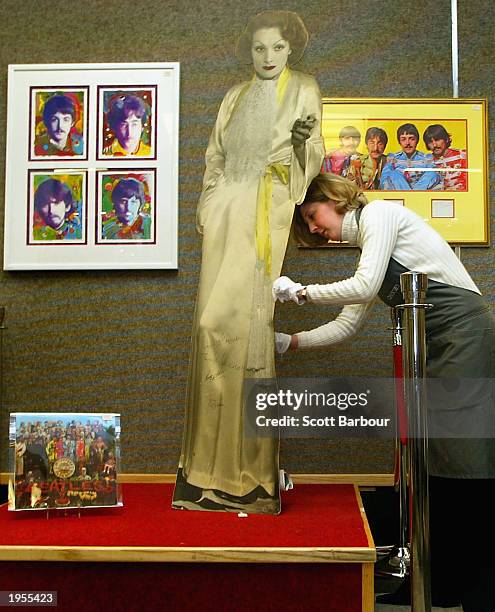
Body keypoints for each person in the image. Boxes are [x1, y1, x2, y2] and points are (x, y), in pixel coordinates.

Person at [273, 172, 495, 610]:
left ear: (334, 199)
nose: (314, 228)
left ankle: (478, 587)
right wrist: (291, 342)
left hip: (464, 335)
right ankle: (442, 578)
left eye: (313, 216)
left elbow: (363, 287)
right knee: (434, 456)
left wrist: (298, 293)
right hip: (435, 343)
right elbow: (347, 324)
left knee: (466, 457)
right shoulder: (370, 247)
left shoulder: (380, 214)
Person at [172, 10, 324, 514]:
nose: (267, 58)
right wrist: (210, 205)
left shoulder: (303, 87)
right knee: (207, 326)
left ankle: (250, 474)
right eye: (259, 48)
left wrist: (301, 143)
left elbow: (311, 152)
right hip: (226, 215)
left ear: (290, 49)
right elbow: (214, 156)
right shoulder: (233, 96)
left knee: (247, 330)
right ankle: (202, 471)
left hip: (266, 210)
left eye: (276, 48)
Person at [380, 123, 440, 190]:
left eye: (411, 139)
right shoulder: (393, 158)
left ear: (417, 141)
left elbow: (435, 179)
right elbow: (384, 182)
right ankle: (411, 197)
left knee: (432, 173)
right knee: (394, 174)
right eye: (403, 139)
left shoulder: (426, 158)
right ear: (399, 142)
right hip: (399, 196)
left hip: (421, 195)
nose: (407, 143)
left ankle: (412, 196)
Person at [423, 123, 467, 191]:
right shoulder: (426, 160)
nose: (434, 145)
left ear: (446, 139)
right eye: (430, 142)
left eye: (437, 140)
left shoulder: (462, 156)